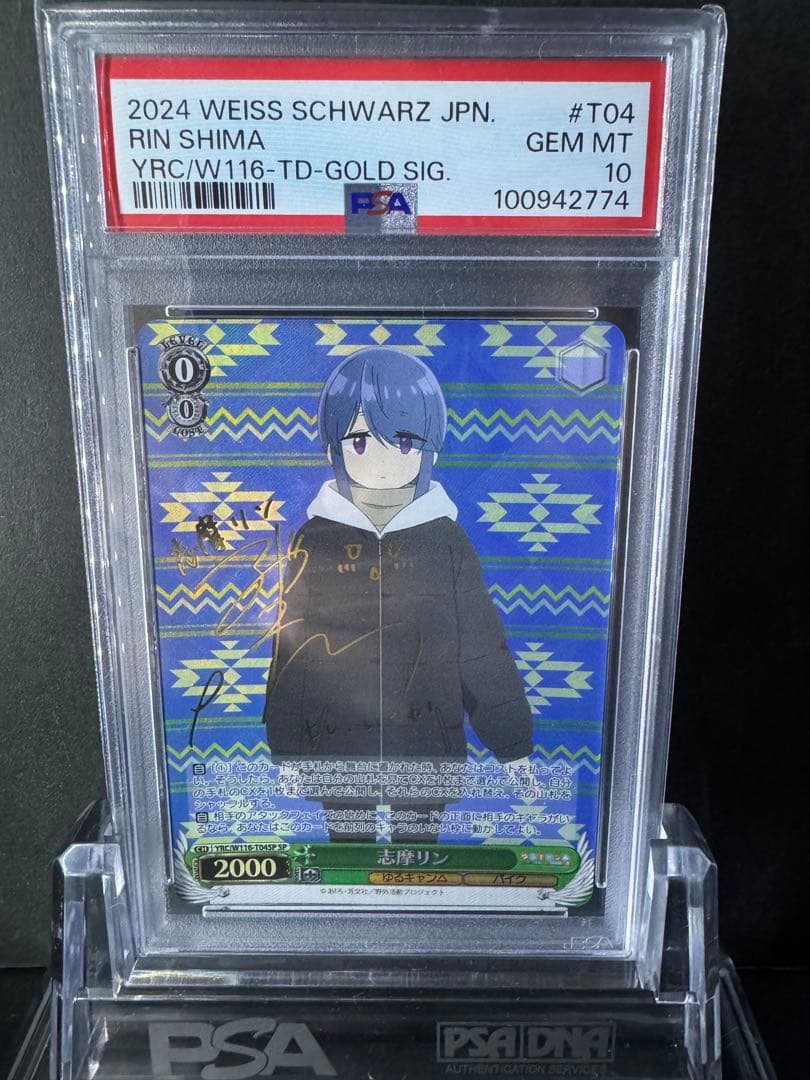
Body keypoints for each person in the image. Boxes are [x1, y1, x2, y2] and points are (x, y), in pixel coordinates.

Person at [263, 346, 533, 842]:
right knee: (347, 858)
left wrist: (512, 745)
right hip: (338, 745)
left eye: (404, 441)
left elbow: (480, 646)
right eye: (360, 440)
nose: (383, 457)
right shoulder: (315, 539)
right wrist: (288, 750)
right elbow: (292, 649)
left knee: (419, 856)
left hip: (426, 742)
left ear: (431, 449)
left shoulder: (446, 541)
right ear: (334, 449)